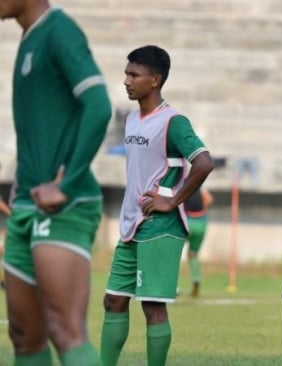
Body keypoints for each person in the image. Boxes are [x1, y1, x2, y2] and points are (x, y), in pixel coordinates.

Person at [0, 1, 112, 364]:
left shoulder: (59, 30)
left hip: (63, 206)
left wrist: (67, 182)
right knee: (24, 336)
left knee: (65, 330)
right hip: (25, 205)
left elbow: (98, 104)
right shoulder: (29, 38)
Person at [100, 45, 214, 366]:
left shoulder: (173, 121)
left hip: (161, 226)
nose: (126, 80)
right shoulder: (133, 120)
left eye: (134, 74)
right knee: (113, 301)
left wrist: (172, 200)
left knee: (152, 307)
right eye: (126, 73)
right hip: (132, 223)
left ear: (155, 80)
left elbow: (203, 162)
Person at [182, 186, 213, 297]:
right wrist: (201, 208)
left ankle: (174, 287)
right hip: (201, 223)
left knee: (173, 255)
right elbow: (209, 199)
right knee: (193, 255)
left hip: (187, 222)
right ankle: (196, 279)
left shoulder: (183, 184)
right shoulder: (200, 185)